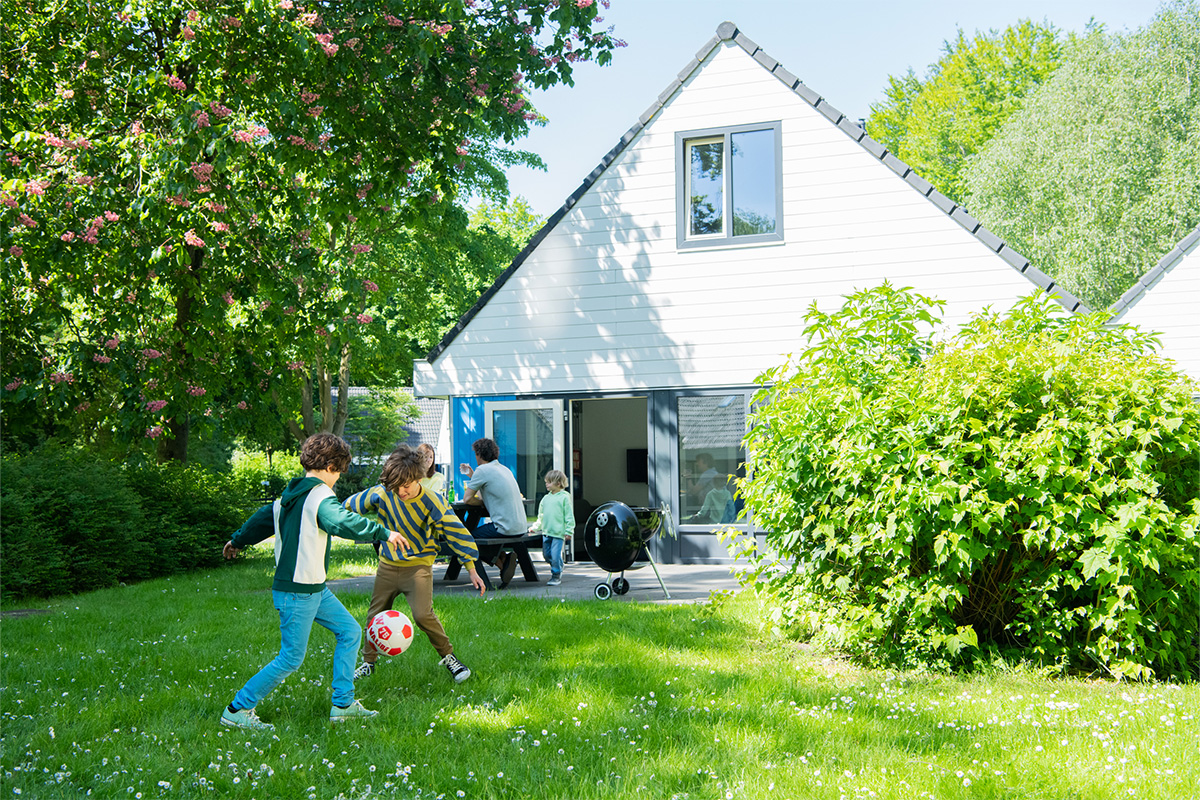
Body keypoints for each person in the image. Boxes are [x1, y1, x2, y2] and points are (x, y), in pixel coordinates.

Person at [219, 434, 412, 731]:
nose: (339, 478)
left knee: (349, 631)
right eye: (340, 470)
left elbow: (260, 520)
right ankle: (238, 709)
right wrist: (384, 533)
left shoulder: (288, 495)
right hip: (297, 592)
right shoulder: (321, 496)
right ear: (332, 465)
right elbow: (340, 521)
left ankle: (343, 704)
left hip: (314, 589)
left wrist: (237, 540)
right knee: (290, 658)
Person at [343, 445, 485, 684]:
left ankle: (450, 658)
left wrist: (471, 568)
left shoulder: (433, 501)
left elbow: (456, 532)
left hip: (418, 567)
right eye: (395, 487)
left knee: (422, 615)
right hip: (387, 566)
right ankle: (368, 663)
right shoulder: (382, 492)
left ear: (418, 478)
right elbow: (346, 507)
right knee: (374, 616)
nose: (401, 492)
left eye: (406, 486)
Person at [460, 437, 528, 588]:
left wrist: (482, 503)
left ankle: (501, 563)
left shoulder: (482, 470)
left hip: (505, 527)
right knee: (481, 535)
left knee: (468, 538)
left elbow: (467, 499)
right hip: (521, 526)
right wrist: (473, 477)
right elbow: (489, 491)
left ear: (479, 454)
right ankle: (503, 560)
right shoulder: (504, 469)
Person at [528, 469, 574, 587]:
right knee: (547, 555)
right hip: (546, 532)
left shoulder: (564, 497)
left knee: (554, 555)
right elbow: (541, 516)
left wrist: (569, 531)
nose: (546, 484)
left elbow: (569, 515)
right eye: (546, 482)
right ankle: (558, 564)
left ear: (558, 483)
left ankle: (556, 575)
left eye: (549, 482)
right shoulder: (545, 499)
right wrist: (535, 527)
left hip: (558, 534)